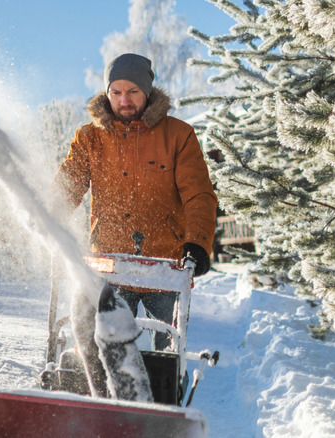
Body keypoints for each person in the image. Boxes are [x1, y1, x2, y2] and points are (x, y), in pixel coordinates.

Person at [53, 53, 218, 396]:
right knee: (93, 334)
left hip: (165, 266)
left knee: (166, 350)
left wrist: (198, 243)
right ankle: (92, 399)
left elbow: (198, 195)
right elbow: (67, 186)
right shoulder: (90, 138)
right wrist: (50, 220)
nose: (124, 101)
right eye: (116, 92)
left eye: (132, 92)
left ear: (147, 91)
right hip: (110, 262)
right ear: (107, 92)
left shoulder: (178, 136)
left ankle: (162, 404)